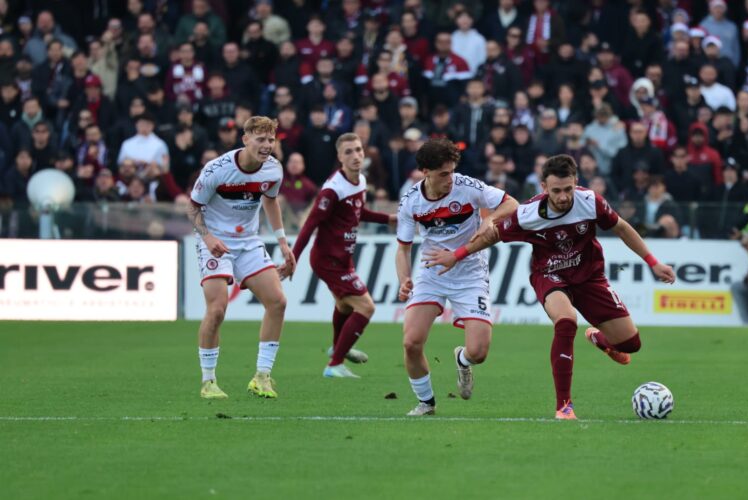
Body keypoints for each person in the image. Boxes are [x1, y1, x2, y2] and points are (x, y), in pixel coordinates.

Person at [424, 155, 675, 420]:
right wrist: (457, 255)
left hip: (590, 277)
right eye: (556, 191)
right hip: (549, 275)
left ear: (576, 182)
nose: (563, 197)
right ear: (544, 187)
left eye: (568, 189)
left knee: (631, 344)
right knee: (566, 321)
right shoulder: (528, 214)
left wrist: (653, 262)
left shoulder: (590, 201)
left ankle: (599, 338)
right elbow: (493, 235)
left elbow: (622, 228)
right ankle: (564, 407)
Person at [395, 138, 518, 416]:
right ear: (425, 172)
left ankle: (462, 359)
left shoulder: (467, 187)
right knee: (411, 342)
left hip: (470, 273)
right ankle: (426, 403)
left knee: (479, 352)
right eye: (443, 174)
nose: (450, 179)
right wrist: (404, 279)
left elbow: (511, 204)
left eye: (451, 171)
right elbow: (402, 249)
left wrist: (489, 219)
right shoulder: (411, 202)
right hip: (432, 273)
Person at [187, 116, 296, 400]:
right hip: (214, 240)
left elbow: (270, 200)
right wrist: (208, 238)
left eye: (271, 140)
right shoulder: (217, 169)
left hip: (247, 241)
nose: (267, 145)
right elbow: (193, 207)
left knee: (278, 301)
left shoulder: (273, 169)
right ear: (245, 139)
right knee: (217, 310)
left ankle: (262, 377)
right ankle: (208, 381)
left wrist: (282, 242)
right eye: (260, 139)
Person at [289, 133, 396, 378]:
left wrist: (387, 219)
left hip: (343, 258)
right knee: (366, 307)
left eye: (358, 150)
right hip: (327, 260)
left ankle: (338, 348)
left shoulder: (360, 181)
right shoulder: (332, 190)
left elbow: (357, 213)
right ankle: (335, 363)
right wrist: (292, 258)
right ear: (339, 157)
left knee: (344, 305)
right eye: (348, 152)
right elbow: (310, 225)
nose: (355, 155)